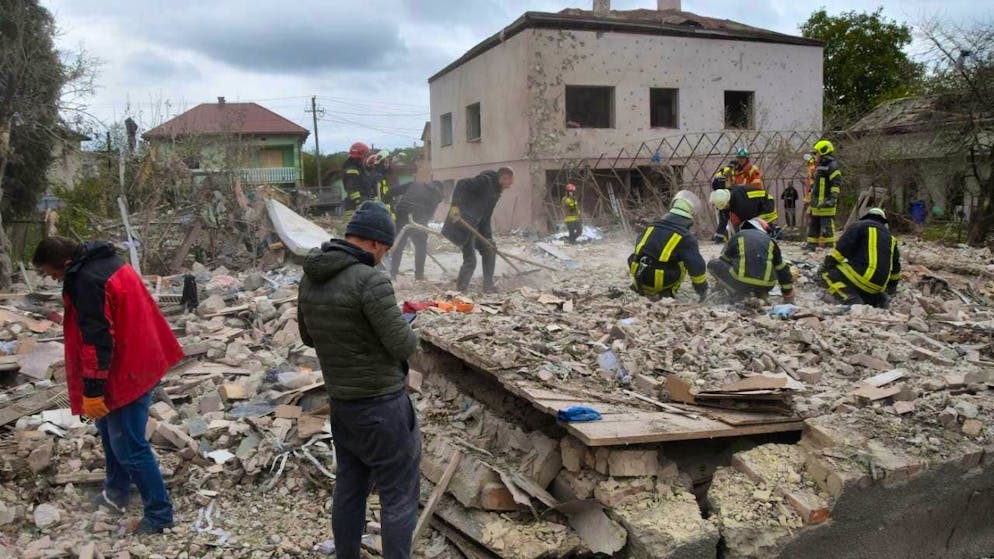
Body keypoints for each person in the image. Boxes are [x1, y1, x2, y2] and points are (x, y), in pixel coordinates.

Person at [32, 237, 183, 535]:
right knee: (109, 432)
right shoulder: (105, 262)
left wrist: (92, 390)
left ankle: (159, 515)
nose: (51, 278)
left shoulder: (87, 280)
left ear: (64, 263)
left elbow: (98, 341)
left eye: (50, 272)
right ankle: (116, 492)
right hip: (139, 356)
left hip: (126, 369)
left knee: (129, 445)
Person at [297, 201, 420, 559]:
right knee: (398, 497)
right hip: (383, 407)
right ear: (378, 244)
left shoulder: (311, 276)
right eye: (387, 249)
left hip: (343, 406)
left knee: (350, 489)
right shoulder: (370, 280)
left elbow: (308, 336)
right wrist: (405, 326)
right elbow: (404, 345)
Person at [442, 167, 514, 293]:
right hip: (462, 222)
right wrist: (455, 207)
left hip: (475, 225)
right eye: (510, 182)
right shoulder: (485, 181)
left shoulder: (496, 192)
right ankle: (461, 289)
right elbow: (461, 184)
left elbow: (486, 217)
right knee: (471, 260)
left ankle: (488, 286)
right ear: (504, 178)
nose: (510, 186)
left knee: (489, 250)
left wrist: (488, 238)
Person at [627, 196, 708, 301]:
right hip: (658, 280)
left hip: (638, 274)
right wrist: (702, 289)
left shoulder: (651, 226)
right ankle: (668, 293)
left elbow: (639, 248)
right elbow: (696, 266)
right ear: (688, 218)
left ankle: (638, 288)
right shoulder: (686, 237)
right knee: (683, 262)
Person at [820, 208, 901, 308]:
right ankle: (880, 299)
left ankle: (850, 299)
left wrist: (828, 263)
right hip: (878, 286)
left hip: (862, 277)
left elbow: (841, 249)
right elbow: (896, 268)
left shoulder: (859, 226)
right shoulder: (891, 238)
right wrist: (892, 288)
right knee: (864, 285)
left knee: (826, 274)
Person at [708, 218, 794, 303]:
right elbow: (782, 269)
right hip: (765, 286)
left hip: (741, 283)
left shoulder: (737, 236)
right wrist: (788, 293)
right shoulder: (771, 241)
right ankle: (760, 295)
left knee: (712, 264)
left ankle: (739, 293)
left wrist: (721, 284)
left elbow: (723, 261)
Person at [389, 181, 445, 281]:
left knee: (399, 245)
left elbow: (393, 191)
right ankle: (419, 275)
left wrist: (391, 205)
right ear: (440, 188)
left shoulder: (415, 184)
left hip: (402, 212)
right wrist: (421, 225)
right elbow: (429, 214)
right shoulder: (437, 193)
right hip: (418, 217)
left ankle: (393, 273)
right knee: (421, 246)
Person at [806, 140, 841, 251]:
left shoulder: (832, 166)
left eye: (817, 153)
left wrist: (833, 198)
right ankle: (811, 246)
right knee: (814, 225)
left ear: (823, 152)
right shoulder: (820, 166)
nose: (815, 155)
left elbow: (836, 183)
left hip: (826, 202)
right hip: (817, 203)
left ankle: (830, 248)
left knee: (827, 226)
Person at [343, 142, 370, 216]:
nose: (366, 158)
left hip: (360, 205)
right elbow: (352, 189)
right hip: (354, 207)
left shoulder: (360, 170)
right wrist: (359, 202)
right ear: (360, 156)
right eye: (366, 155)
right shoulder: (352, 170)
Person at [711, 164, 734, 243]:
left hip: (718, 198)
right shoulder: (728, 171)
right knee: (724, 219)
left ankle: (720, 236)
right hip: (723, 199)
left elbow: (714, 186)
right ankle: (719, 237)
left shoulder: (720, 172)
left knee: (722, 219)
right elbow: (728, 186)